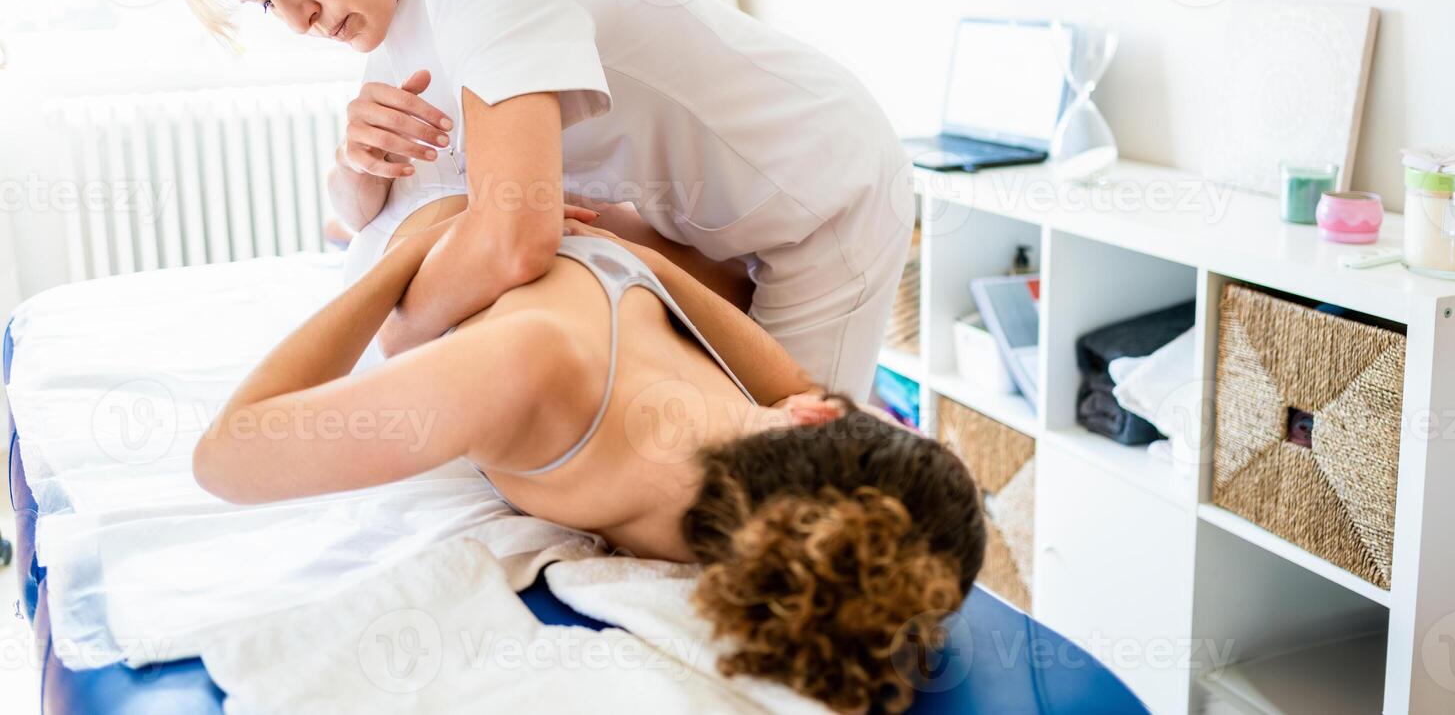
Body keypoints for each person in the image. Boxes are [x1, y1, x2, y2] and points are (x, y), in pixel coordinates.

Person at [165, 0, 913, 400]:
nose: (296, 21)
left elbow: (511, 240)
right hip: (706, 224)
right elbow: (366, 217)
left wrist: (375, 342)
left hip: (821, 200)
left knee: (786, 485)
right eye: (264, 1)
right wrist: (352, 163)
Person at [192, 198, 983, 713]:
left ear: (815, 424)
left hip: (441, 241)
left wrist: (410, 258)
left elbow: (225, 456)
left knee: (361, 182)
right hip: (557, 235)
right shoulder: (713, 537)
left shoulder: (529, 368)